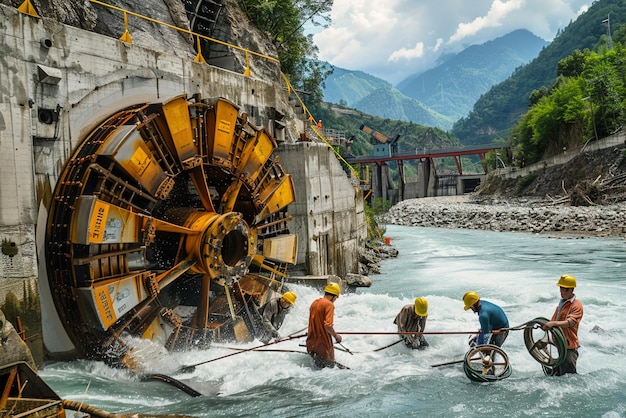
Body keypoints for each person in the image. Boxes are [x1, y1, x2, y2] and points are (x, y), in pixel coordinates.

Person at [542, 274, 583, 376]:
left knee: (569, 375)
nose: (561, 292)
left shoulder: (576, 306)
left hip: (569, 345)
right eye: (561, 288)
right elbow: (553, 320)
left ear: (571, 290)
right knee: (558, 373)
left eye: (564, 289)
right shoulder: (562, 304)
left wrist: (553, 324)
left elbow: (570, 322)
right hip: (560, 343)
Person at [306, 282, 342, 368]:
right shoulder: (329, 305)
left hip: (311, 344)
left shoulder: (314, 303)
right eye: (336, 298)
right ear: (334, 296)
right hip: (323, 346)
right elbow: (328, 325)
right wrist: (336, 336)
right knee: (330, 371)